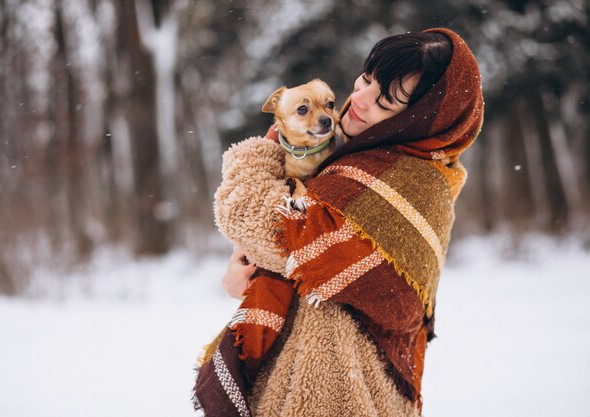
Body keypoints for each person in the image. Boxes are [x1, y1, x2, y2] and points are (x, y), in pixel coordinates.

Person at [194, 27, 484, 417]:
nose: (360, 101)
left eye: (385, 102)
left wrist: (256, 155)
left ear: (416, 121)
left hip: (344, 386)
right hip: (295, 376)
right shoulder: (342, 157)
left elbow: (280, 233)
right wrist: (245, 273)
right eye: (366, 80)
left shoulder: (413, 183)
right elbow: (278, 249)